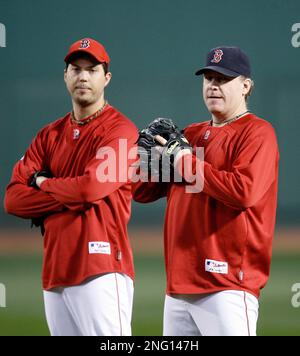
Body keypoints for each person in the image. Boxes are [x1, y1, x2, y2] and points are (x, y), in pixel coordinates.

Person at [132, 46, 279, 336]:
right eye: (208, 78)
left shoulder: (258, 133)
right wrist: (145, 160)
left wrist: (184, 159)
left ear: (246, 85)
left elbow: (243, 191)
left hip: (227, 286)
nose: (213, 85)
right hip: (178, 287)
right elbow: (142, 191)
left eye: (223, 79)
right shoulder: (191, 134)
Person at [4, 38, 138, 336]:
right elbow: (13, 200)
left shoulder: (121, 131)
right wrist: (73, 193)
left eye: (92, 69)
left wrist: (43, 182)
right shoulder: (48, 135)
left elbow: (89, 189)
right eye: (76, 69)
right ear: (65, 75)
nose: (83, 76)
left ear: (107, 78)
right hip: (55, 271)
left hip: (101, 268)